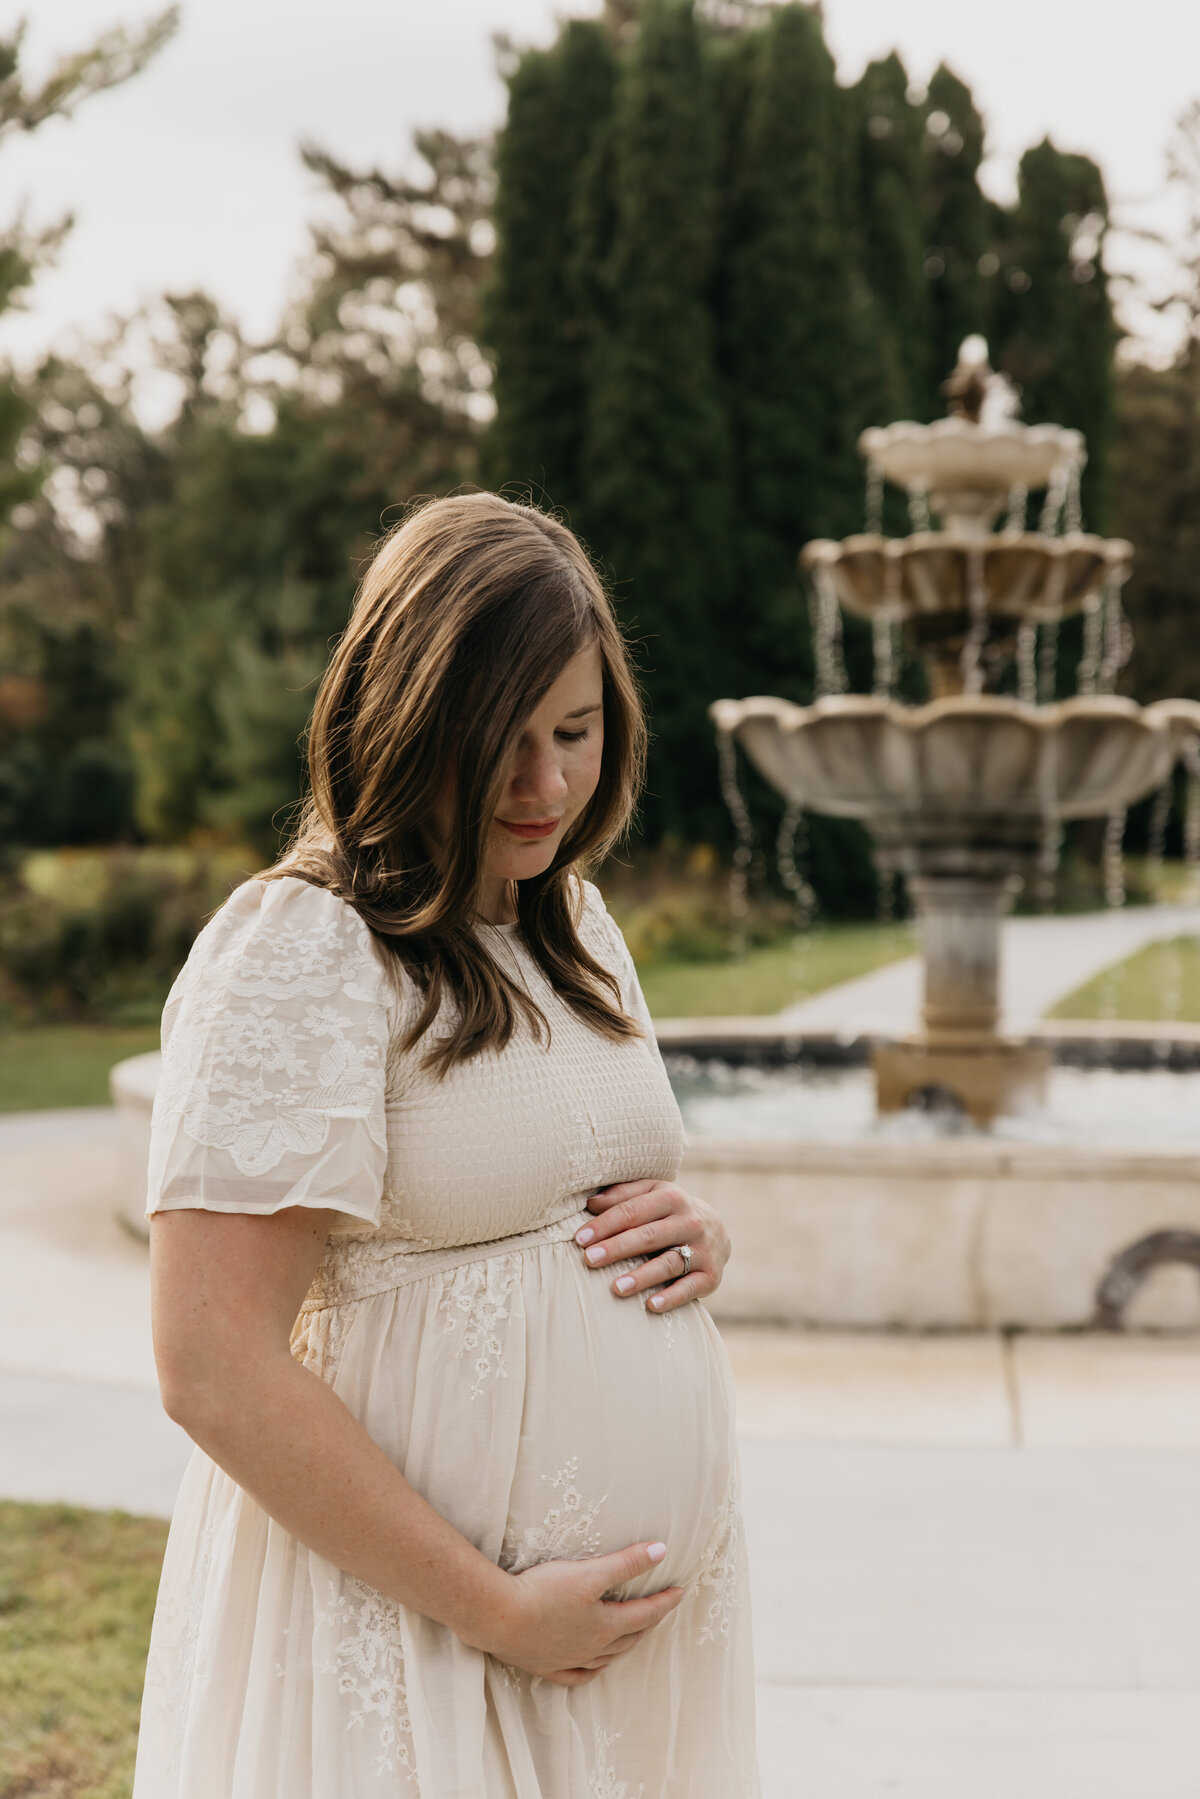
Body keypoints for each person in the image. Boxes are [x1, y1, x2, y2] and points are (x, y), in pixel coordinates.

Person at [132, 492, 759, 1797]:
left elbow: (571, 1190)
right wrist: (489, 1606)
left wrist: (691, 1235)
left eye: (575, 734)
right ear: (409, 723)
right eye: (500, 744)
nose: (545, 785)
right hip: (427, 1633)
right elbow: (210, 1364)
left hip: (623, 1651)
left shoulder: (571, 921)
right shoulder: (302, 951)